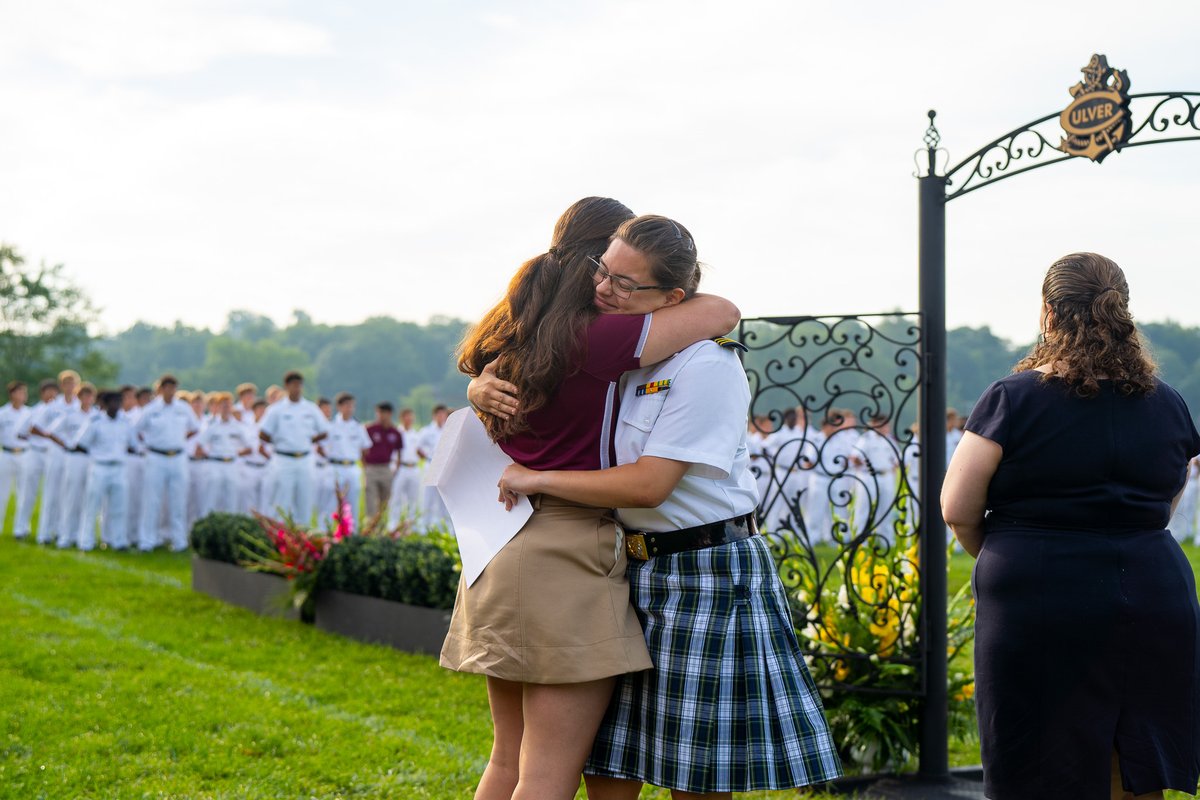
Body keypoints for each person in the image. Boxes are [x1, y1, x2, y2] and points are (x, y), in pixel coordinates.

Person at [441, 200, 741, 800]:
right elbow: (724, 311)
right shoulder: (599, 339)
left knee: (507, 761)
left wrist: (476, 387)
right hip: (562, 550)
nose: (609, 287)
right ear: (591, 262)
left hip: (499, 543)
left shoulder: (518, 334)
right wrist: (664, 294)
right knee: (545, 775)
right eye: (607, 269)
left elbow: (479, 370)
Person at [942, 253, 1200, 800]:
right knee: (1133, 765)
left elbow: (958, 508)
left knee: (1040, 765)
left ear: (1048, 313)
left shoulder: (1012, 397)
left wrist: (1011, 551)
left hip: (1038, 595)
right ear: (1122, 311)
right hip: (1152, 590)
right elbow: (1166, 502)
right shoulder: (1168, 402)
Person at [135, 374, 199, 552]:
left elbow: (195, 428)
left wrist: (180, 439)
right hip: (156, 456)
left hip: (177, 456)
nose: (170, 390)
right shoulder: (151, 409)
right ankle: (148, 540)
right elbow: (137, 429)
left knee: (178, 500)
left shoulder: (183, 408)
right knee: (152, 500)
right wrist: (149, 442)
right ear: (161, 389)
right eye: (167, 387)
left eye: (173, 387)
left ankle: (179, 541)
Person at [73, 391, 140, 551]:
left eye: (118, 402)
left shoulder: (125, 423)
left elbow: (133, 445)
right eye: (112, 402)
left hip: (119, 467)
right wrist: (98, 454)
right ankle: (85, 541)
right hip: (100, 467)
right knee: (92, 506)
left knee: (119, 507)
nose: (116, 405)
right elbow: (81, 444)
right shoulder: (95, 421)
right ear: (105, 404)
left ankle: (118, 541)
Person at [258, 371, 329, 523]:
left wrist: (309, 440)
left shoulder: (310, 408)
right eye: (293, 385)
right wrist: (280, 441)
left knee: (305, 499)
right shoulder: (276, 409)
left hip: (305, 458)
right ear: (286, 386)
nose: (296, 389)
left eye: (299, 385)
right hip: (283, 459)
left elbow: (324, 431)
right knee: (282, 499)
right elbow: (263, 433)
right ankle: (280, 534)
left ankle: (303, 533)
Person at [47, 382, 98, 547]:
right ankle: (65, 535)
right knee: (71, 497)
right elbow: (52, 432)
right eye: (84, 395)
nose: (87, 399)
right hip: (74, 457)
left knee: (88, 497)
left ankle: (82, 535)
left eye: (90, 396)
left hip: (91, 458)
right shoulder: (70, 414)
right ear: (79, 397)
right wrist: (67, 444)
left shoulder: (97, 415)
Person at [31, 370, 79, 544]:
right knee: (51, 493)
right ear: (61, 386)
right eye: (66, 383)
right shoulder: (53, 405)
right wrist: (54, 438)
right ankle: (44, 533)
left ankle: (62, 531)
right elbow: (34, 427)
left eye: (72, 383)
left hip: (73, 454)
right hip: (56, 452)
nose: (69, 387)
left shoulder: (79, 405)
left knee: (68, 494)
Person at [195, 392, 255, 516]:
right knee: (211, 498)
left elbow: (249, 448)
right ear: (218, 407)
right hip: (215, 464)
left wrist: (235, 453)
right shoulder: (212, 425)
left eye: (228, 405)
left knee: (232, 499)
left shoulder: (237, 426)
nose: (226, 408)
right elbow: (199, 447)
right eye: (223, 405)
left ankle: (230, 524)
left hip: (231, 464)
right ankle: (207, 522)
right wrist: (210, 454)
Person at [325, 392, 371, 524]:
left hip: (352, 466)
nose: (350, 409)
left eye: (352, 406)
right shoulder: (331, 426)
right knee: (332, 502)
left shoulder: (358, 427)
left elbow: (365, 447)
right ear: (339, 407)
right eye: (347, 405)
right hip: (335, 466)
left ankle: (352, 531)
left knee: (353, 502)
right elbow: (322, 447)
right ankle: (329, 531)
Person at [24, 379, 60, 542]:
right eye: (48, 391)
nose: (51, 395)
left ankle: (53, 528)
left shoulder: (58, 409)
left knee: (53, 493)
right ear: (42, 393)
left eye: (54, 391)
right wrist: (49, 435)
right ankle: (21, 528)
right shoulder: (36, 410)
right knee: (29, 492)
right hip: (35, 451)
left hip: (51, 454)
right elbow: (29, 429)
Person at [0, 381, 34, 539]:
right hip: (6, 454)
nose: (23, 395)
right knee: (2, 492)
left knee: (24, 493)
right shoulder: (3, 413)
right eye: (19, 392)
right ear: (12, 394)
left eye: (24, 392)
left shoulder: (30, 413)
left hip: (24, 454)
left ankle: (21, 528)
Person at [363, 402, 403, 518]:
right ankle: (371, 524)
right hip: (371, 468)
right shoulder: (370, 429)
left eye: (382, 413)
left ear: (389, 414)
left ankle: (382, 525)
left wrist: (396, 468)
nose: (380, 415)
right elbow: (362, 449)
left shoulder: (395, 432)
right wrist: (364, 465)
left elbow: (399, 451)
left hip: (386, 468)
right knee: (370, 499)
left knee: (385, 501)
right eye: (378, 413)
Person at [417, 405, 452, 527]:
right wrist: (427, 457)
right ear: (434, 415)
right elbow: (418, 448)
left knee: (445, 499)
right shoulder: (427, 431)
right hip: (431, 464)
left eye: (444, 414)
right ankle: (424, 526)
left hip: (444, 466)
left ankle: (446, 527)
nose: (442, 417)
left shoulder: (448, 430)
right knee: (428, 497)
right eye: (439, 414)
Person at [388, 407, 422, 526]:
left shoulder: (416, 434)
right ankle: (393, 523)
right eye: (407, 416)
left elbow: (420, 452)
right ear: (401, 418)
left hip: (413, 467)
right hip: (400, 468)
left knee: (413, 498)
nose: (409, 419)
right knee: (396, 497)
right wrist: (393, 468)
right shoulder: (397, 433)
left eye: (411, 417)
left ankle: (411, 525)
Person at [239, 399, 271, 513]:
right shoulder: (246, 427)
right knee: (249, 500)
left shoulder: (270, 429)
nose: (262, 412)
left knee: (265, 500)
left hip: (266, 466)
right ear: (254, 411)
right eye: (259, 409)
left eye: (264, 410)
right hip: (250, 466)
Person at [312, 397, 337, 524]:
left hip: (329, 467)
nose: (328, 411)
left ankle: (323, 528)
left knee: (328, 502)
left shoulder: (333, 426)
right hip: (315, 467)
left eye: (329, 409)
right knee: (313, 501)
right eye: (324, 409)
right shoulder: (312, 427)